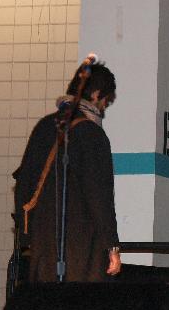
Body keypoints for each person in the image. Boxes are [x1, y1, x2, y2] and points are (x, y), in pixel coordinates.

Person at [13, 60, 122, 283]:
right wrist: (111, 245)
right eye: (105, 101)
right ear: (96, 94)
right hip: (81, 251)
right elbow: (99, 195)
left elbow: (24, 183)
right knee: (79, 303)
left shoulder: (44, 127)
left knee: (47, 302)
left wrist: (27, 237)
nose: (103, 108)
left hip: (43, 246)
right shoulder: (91, 133)